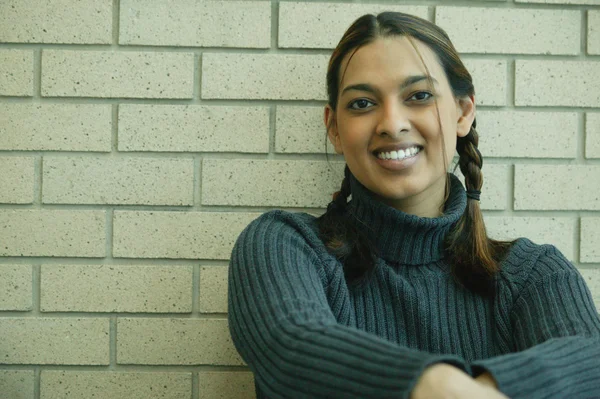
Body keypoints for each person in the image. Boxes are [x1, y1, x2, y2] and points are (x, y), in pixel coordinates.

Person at [227, 11, 600, 399]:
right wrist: (430, 384)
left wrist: (475, 389)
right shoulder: (284, 246)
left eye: (419, 96)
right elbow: (292, 347)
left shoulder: (531, 275)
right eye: (362, 103)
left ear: (463, 112)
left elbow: (590, 362)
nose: (392, 122)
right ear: (334, 128)